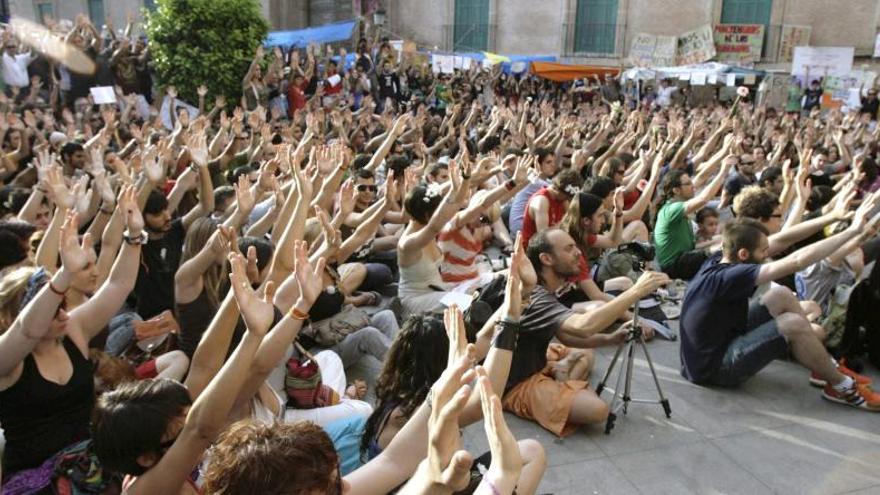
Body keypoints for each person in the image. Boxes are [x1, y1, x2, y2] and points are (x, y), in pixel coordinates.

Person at [0, 187, 143, 477]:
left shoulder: (72, 330)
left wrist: (135, 235)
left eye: (63, 305)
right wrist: (64, 275)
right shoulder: (7, 357)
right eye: (55, 309)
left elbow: (119, 285)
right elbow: (29, 330)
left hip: (89, 466)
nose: (64, 314)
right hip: (35, 481)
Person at [679, 213, 880, 410]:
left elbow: (784, 239)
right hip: (713, 370)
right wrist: (852, 231)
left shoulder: (721, 257)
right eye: (763, 251)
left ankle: (824, 366)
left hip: (717, 346)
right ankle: (841, 387)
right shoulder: (731, 276)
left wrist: (832, 216)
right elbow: (797, 261)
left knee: (781, 294)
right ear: (743, 254)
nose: (767, 254)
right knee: (793, 324)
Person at [502, 228, 667, 436]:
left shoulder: (540, 288)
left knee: (586, 353)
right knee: (598, 410)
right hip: (515, 383)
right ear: (546, 259)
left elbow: (566, 335)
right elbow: (582, 326)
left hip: (532, 358)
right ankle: (561, 379)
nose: (579, 252)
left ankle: (560, 372)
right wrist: (636, 292)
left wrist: (610, 338)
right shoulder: (536, 296)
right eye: (569, 248)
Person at [654, 157, 734, 280]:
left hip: (685, 258)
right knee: (726, 250)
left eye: (691, 182)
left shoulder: (678, 203)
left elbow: (702, 177)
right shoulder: (671, 209)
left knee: (722, 240)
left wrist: (724, 153)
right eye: (688, 184)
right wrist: (723, 172)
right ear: (676, 190)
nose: (693, 186)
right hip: (674, 267)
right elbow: (703, 199)